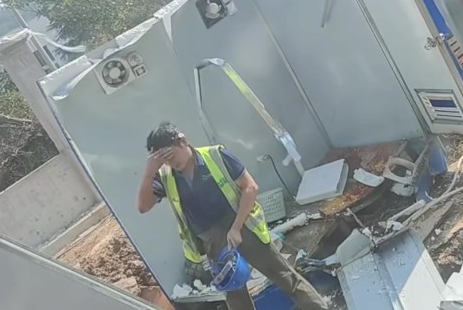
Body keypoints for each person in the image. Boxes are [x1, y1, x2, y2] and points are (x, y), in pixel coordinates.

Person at [137, 122, 329, 310]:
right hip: (213, 242)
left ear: (182, 141)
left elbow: (250, 187)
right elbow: (143, 207)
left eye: (171, 155)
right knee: (236, 299)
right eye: (164, 159)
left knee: (285, 277)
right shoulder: (165, 176)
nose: (171, 162)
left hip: (242, 226)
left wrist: (236, 227)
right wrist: (149, 171)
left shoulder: (215, 155)